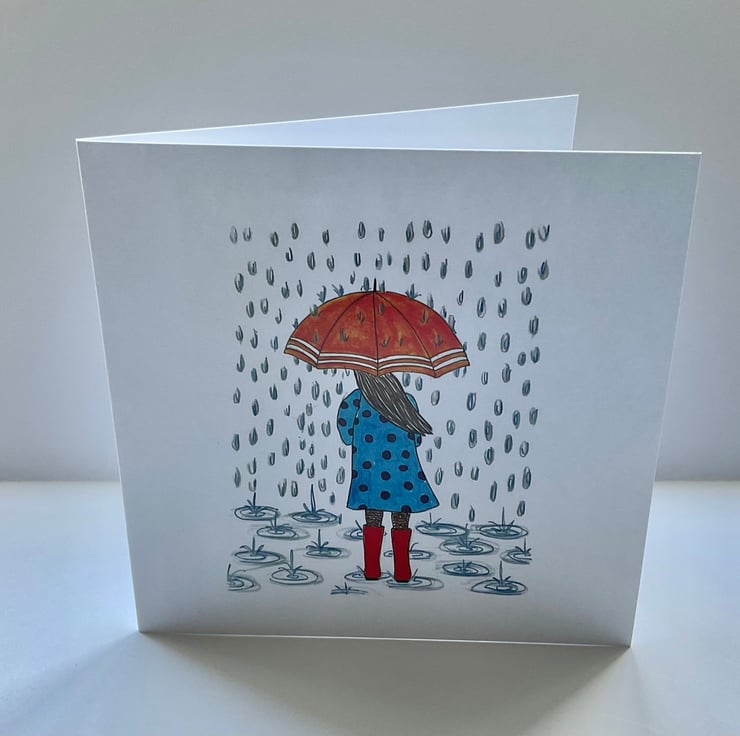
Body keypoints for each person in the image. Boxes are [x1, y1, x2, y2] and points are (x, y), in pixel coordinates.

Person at [336, 370, 438, 582]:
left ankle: (372, 569)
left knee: (373, 516)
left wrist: (360, 439)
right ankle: (402, 571)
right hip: (403, 472)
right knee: (401, 519)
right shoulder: (406, 400)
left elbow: (345, 429)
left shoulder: (357, 399)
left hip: (369, 469)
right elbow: (417, 438)